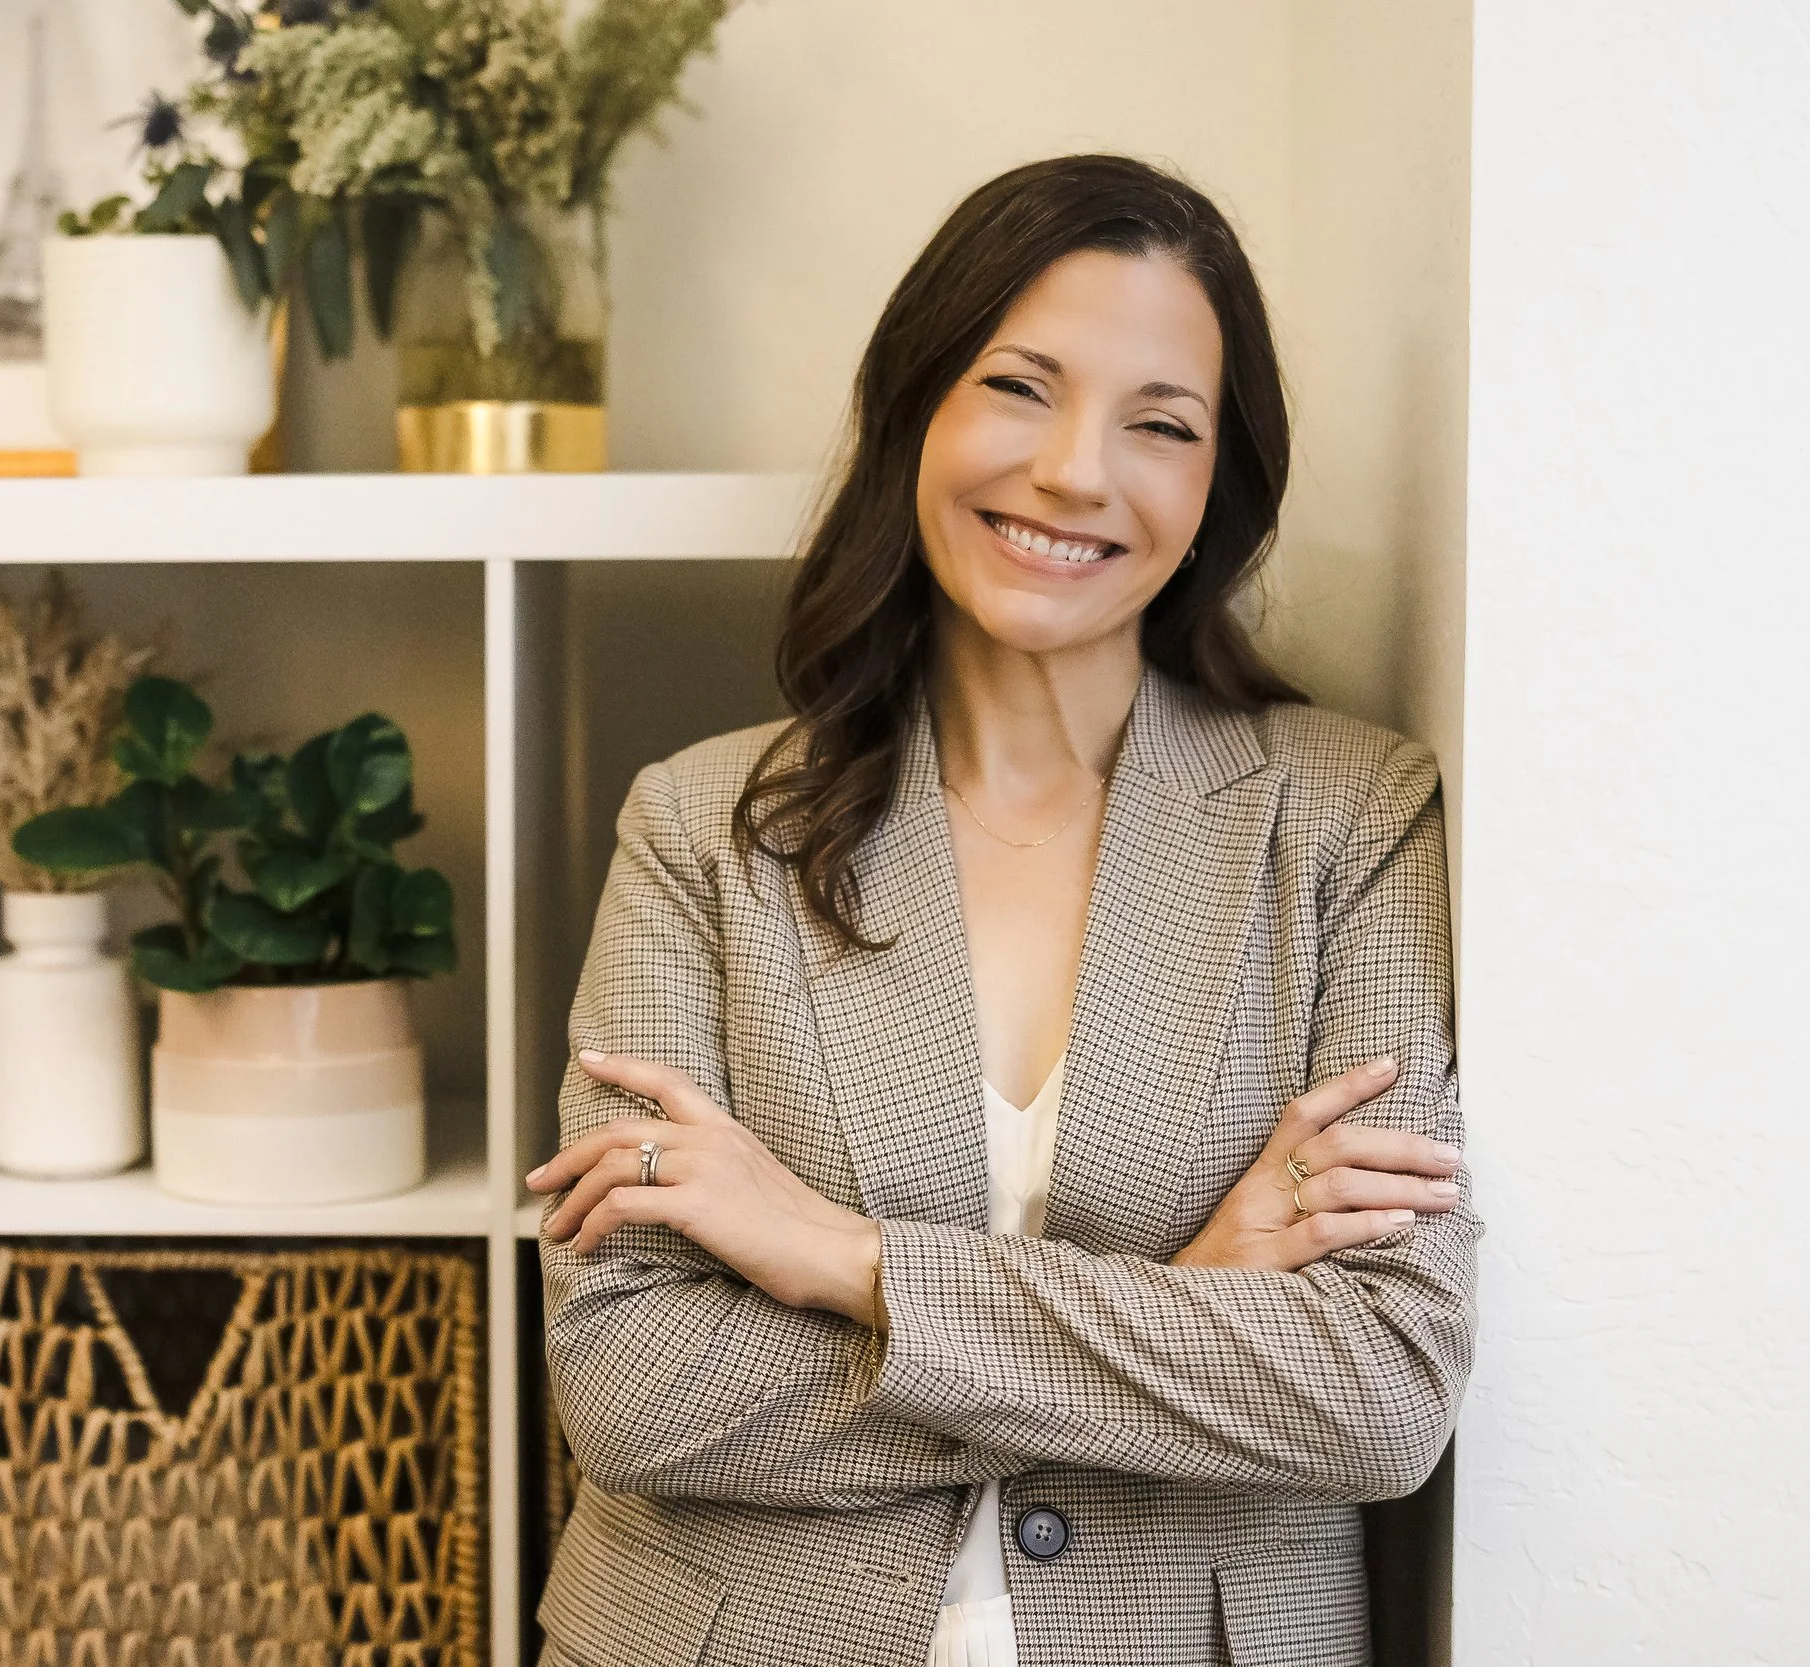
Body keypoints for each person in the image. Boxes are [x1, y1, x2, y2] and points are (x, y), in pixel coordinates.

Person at [522, 153, 1479, 1667]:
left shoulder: (1351, 818)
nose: (1076, 473)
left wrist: (846, 1260)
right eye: (1022, 388)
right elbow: (632, 1378)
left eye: (1158, 424)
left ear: (1215, 483)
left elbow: (1376, 1387)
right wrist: (1182, 1311)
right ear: (917, 408)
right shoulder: (701, 827)